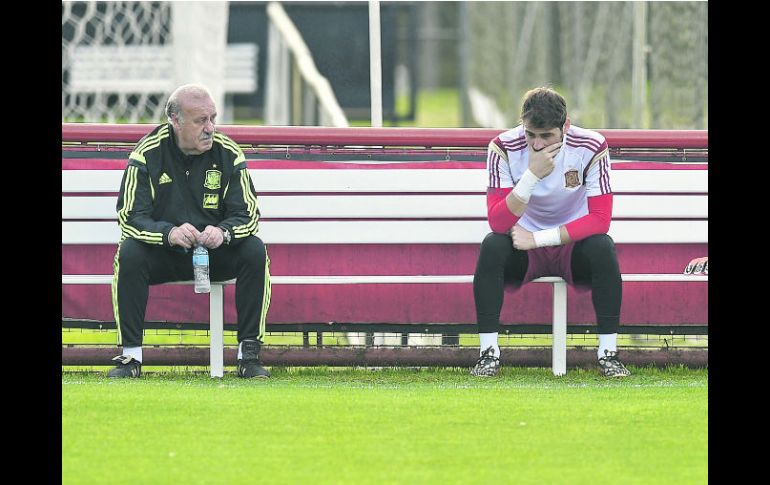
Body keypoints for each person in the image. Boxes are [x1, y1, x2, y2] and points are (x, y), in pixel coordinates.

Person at [107, 84, 271, 378]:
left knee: (254, 250)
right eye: (200, 121)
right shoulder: (146, 153)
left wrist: (223, 233)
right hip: (165, 254)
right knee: (129, 253)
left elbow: (248, 214)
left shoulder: (228, 152)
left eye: (213, 118)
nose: (210, 128)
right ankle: (130, 358)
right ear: (175, 121)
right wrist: (167, 234)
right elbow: (130, 217)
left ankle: (249, 355)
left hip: (214, 255)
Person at [471, 86, 630, 378]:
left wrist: (539, 238)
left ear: (565, 126)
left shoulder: (592, 145)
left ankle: (609, 353)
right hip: (522, 247)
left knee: (603, 246)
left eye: (547, 136)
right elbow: (497, 221)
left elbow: (600, 219)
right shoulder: (503, 147)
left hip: (571, 246)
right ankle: (488, 354)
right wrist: (532, 175)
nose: (537, 144)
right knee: (492, 245)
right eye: (531, 134)